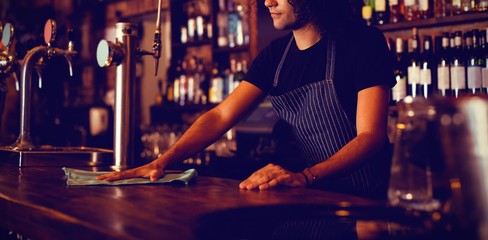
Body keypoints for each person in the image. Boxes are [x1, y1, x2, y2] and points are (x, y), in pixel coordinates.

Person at [98, 0, 395, 200]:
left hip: (363, 203)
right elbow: (220, 117)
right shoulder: (275, 57)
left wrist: (306, 177)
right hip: (310, 199)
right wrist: (162, 162)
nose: (267, 2)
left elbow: (371, 137)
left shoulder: (362, 43)